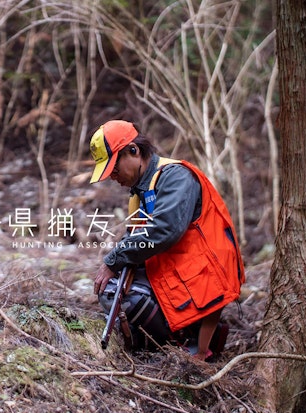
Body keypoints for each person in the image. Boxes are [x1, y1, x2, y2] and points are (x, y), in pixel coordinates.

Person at [88, 120, 245, 360]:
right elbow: (139, 236)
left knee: (131, 299)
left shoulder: (175, 177)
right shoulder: (143, 189)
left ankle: (188, 346)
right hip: (180, 271)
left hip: (203, 275)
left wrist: (114, 260)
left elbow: (164, 231)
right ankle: (171, 336)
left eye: (115, 169)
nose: (114, 177)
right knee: (113, 291)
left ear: (133, 151)